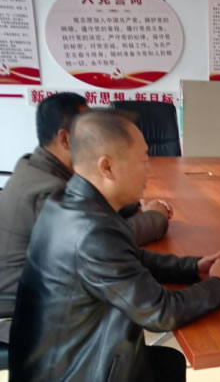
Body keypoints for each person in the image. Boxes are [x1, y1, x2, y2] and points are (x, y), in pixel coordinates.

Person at [9, 109, 220, 382]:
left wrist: (191, 267)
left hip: (58, 359)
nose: (149, 171)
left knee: (168, 362)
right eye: (143, 161)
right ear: (106, 167)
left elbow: (130, 257)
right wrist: (218, 284)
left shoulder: (67, 202)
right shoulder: (93, 231)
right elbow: (160, 312)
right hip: (70, 373)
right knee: (168, 364)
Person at [0, 93, 171, 343]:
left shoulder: (34, 167)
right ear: (65, 139)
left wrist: (131, 205)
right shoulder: (48, 193)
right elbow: (104, 240)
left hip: (36, 294)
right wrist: (156, 217)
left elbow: (91, 207)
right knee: (138, 300)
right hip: (25, 314)